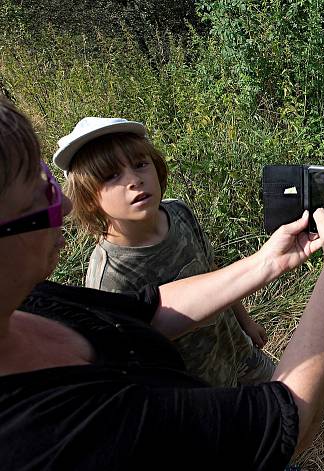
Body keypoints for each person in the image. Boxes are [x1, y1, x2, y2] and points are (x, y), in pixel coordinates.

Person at [0, 98, 324, 468]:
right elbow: (287, 427)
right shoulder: (47, 429)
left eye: (47, 182)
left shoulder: (37, 303)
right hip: (202, 390)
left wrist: (266, 263)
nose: (62, 208)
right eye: (39, 197)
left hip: (235, 353)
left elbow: (153, 310)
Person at [55, 116, 274, 387]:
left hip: (240, 354)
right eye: (111, 175)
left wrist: (246, 323)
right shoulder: (110, 276)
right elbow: (134, 359)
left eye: (140, 164)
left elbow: (213, 271)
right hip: (203, 390)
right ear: (89, 200)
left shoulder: (178, 212)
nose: (134, 180)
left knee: (291, 402)